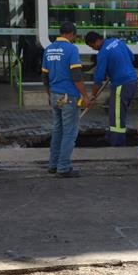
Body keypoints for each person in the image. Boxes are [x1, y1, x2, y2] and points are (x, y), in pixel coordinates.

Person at [42, 22, 90, 177]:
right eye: (75, 36)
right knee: (69, 133)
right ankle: (63, 167)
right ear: (72, 34)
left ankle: (53, 164)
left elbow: (44, 76)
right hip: (69, 96)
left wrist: (49, 94)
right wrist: (85, 95)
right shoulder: (71, 49)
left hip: (55, 95)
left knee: (57, 131)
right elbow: (76, 76)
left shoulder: (48, 49)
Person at [85, 31, 138, 146]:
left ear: (97, 41)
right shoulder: (117, 41)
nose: (94, 49)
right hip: (132, 81)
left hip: (121, 85)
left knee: (117, 118)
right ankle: (110, 137)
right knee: (116, 113)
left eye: (93, 46)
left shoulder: (103, 53)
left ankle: (117, 144)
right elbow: (132, 58)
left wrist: (93, 96)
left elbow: (98, 79)